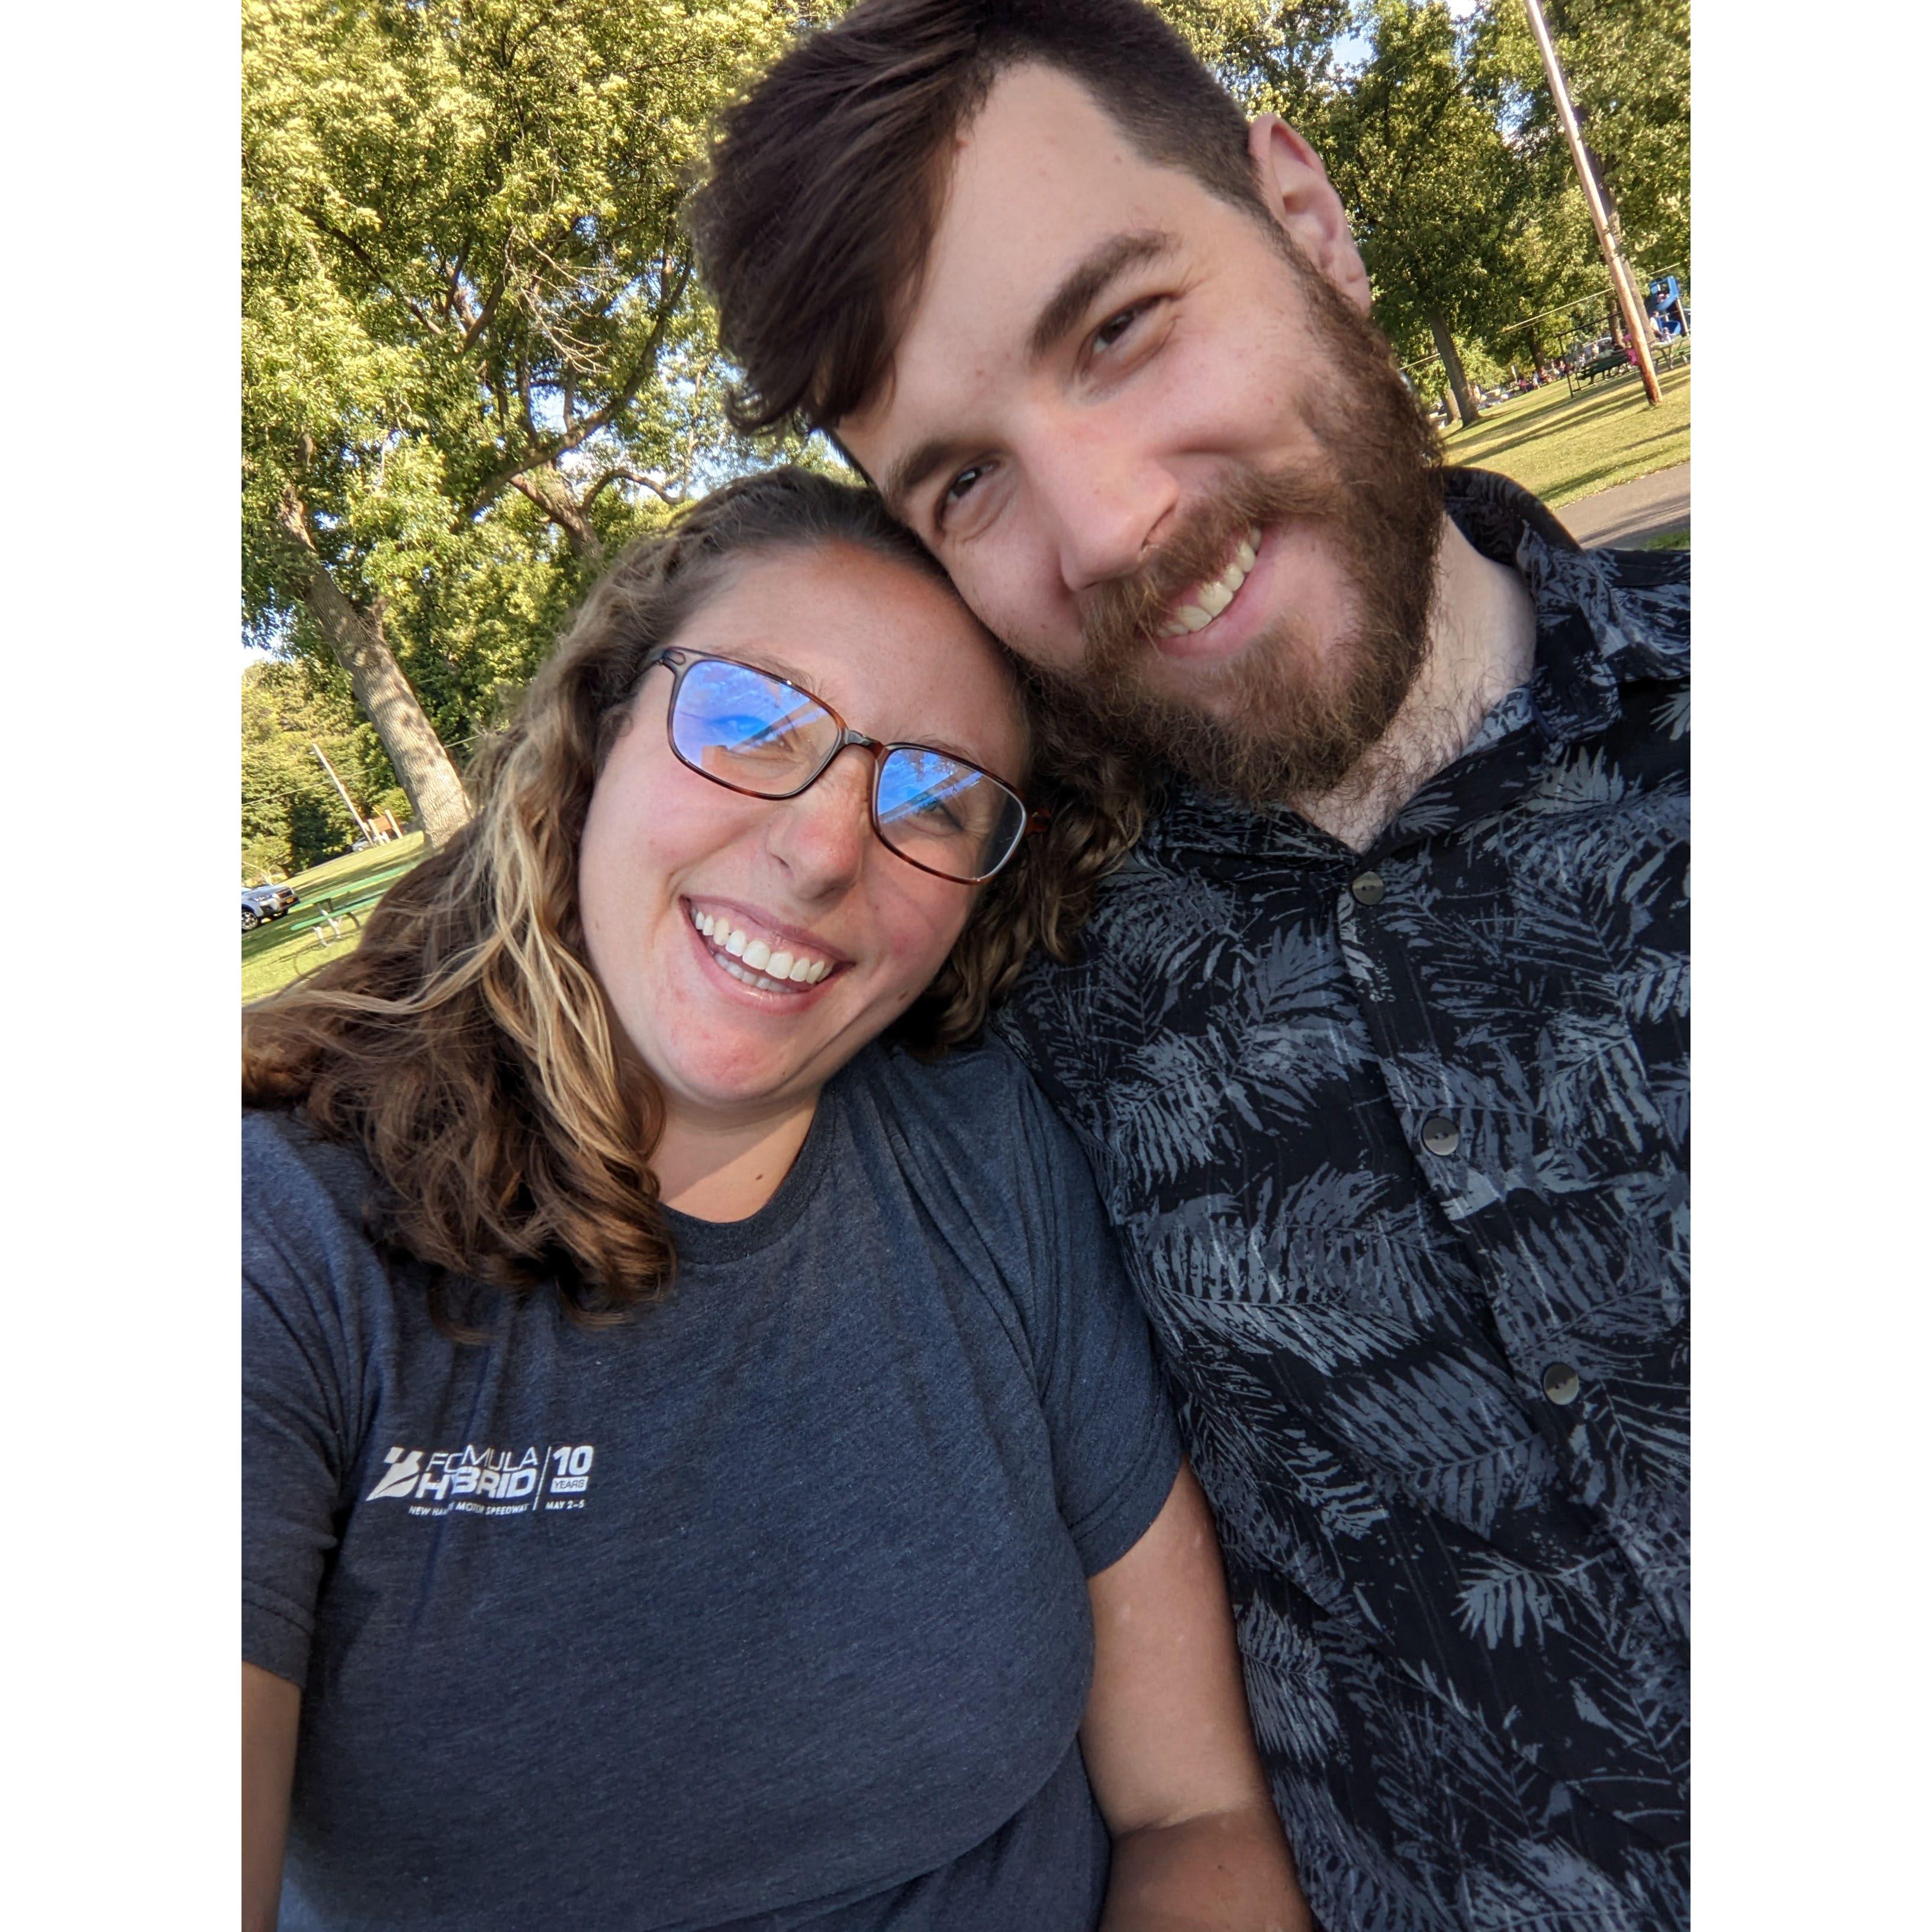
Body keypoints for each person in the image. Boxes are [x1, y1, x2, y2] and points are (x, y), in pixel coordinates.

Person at [690, 7, 1690, 1931]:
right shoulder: (989, 970)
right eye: (962, 483)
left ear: (1303, 216)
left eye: (1120, 327)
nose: (1112, 528)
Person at [241, 469, 1311, 1931]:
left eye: (934, 797)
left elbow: (1191, 1809)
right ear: (602, 730)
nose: (822, 850)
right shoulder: (272, 1246)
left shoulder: (984, 1158)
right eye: (752, 721)